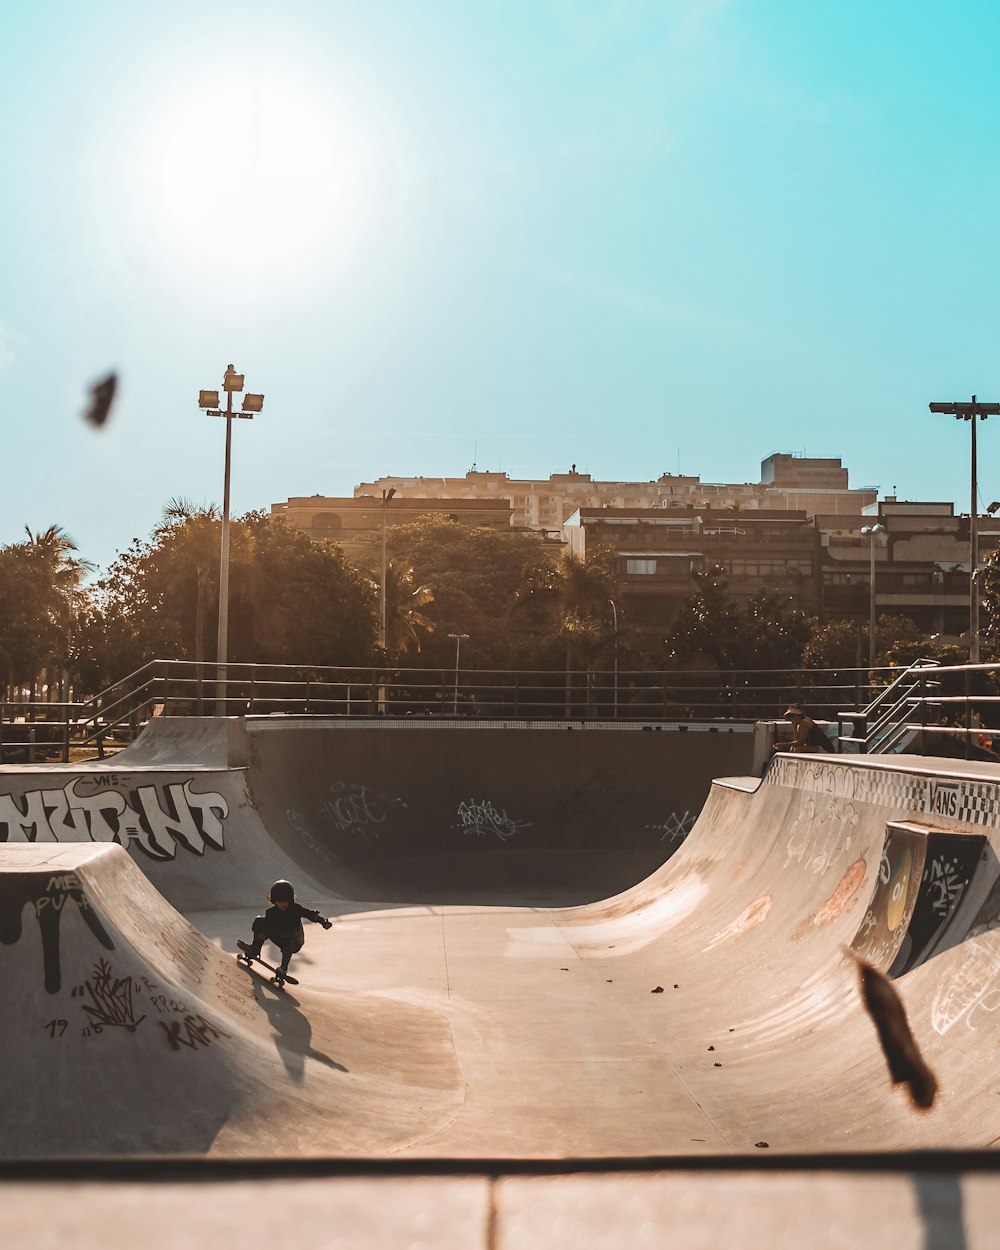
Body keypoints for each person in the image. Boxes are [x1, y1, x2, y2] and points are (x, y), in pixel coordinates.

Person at [238, 880, 332, 982]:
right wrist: (260, 935)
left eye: (285, 901)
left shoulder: (296, 909)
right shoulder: (271, 912)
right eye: (279, 902)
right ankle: (255, 949)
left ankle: (284, 967)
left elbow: (310, 914)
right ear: (274, 901)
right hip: (279, 937)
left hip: (295, 941)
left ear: (290, 900)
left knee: (289, 939)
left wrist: (323, 921)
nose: (282, 904)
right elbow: (264, 927)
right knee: (260, 921)